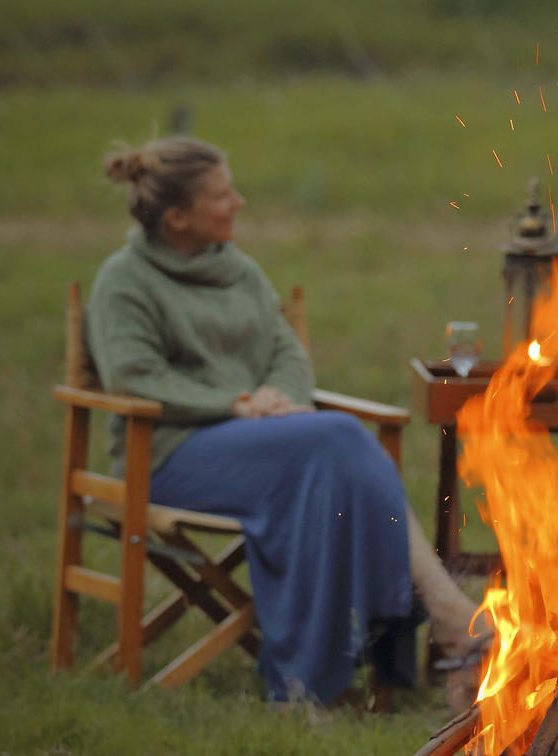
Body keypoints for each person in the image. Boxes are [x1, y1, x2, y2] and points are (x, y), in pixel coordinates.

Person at [88, 136, 486, 709]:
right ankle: (443, 618)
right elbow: (135, 377)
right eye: (222, 196)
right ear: (177, 217)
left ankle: (337, 669)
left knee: (339, 454)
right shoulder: (125, 282)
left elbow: (287, 355)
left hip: (261, 443)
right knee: (343, 439)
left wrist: (280, 398)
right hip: (169, 454)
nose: (239, 203)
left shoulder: (239, 272)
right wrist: (236, 402)